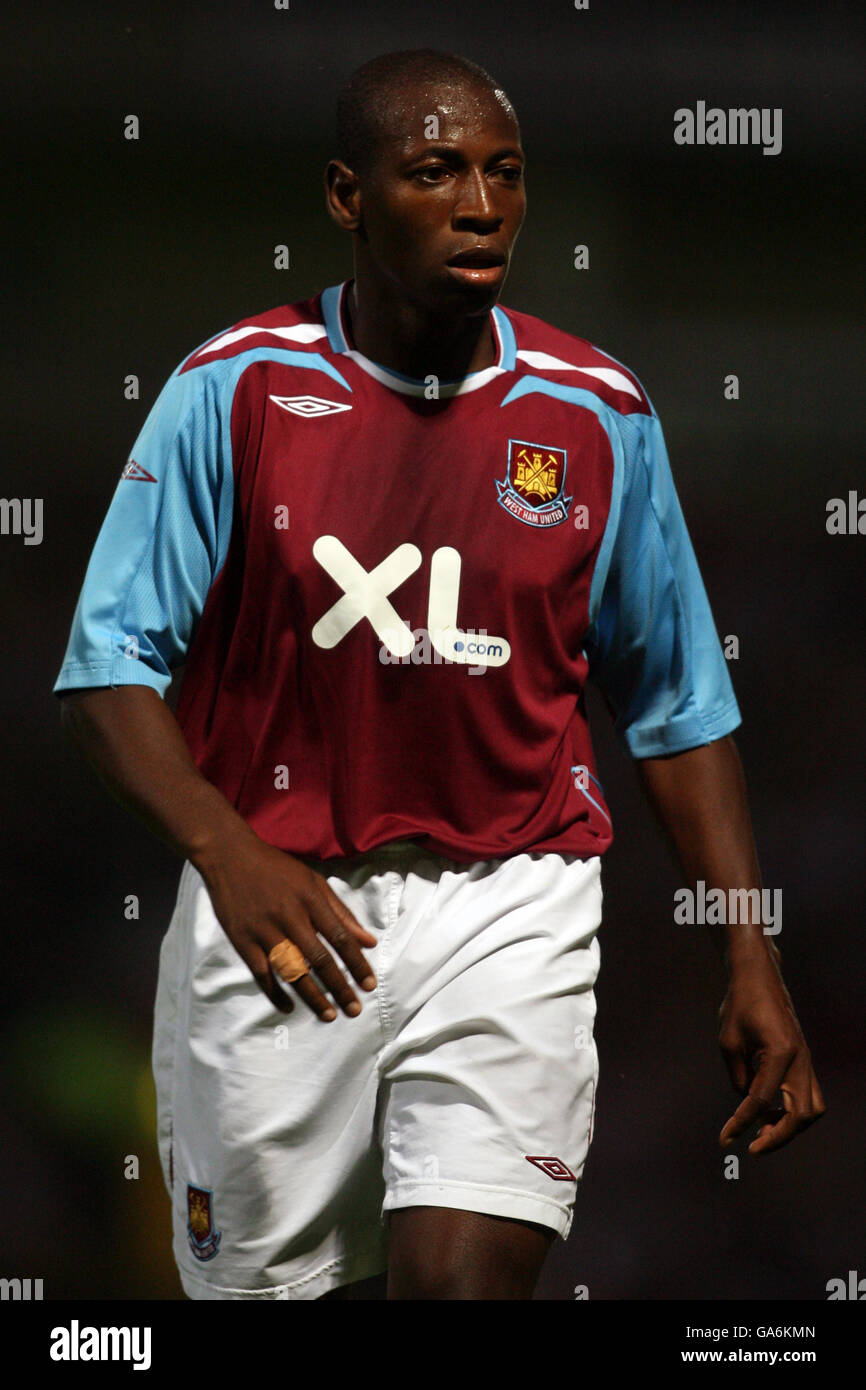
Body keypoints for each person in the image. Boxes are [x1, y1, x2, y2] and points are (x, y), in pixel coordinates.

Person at [53, 48, 824, 1301]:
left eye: (503, 174)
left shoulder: (594, 411)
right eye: (435, 171)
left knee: (463, 1285)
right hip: (283, 920)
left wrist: (749, 954)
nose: (480, 205)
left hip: (512, 902)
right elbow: (106, 670)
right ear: (347, 196)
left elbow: (678, 706)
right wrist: (226, 851)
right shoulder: (232, 391)